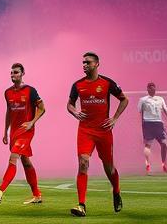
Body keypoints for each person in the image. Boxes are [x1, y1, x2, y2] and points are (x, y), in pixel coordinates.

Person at [68, 51, 127, 217]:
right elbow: (69, 105)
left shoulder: (107, 83)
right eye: (83, 62)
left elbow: (124, 99)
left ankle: (116, 191)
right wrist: (75, 112)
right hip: (85, 130)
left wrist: (114, 118)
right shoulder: (77, 85)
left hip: (103, 131)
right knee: (83, 162)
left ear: (96, 64)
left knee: (109, 167)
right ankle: (81, 205)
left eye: (88, 62)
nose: (84, 65)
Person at [0, 62, 43, 205]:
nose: (13, 75)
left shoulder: (30, 91)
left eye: (16, 72)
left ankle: (0, 191)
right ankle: (37, 195)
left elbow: (42, 108)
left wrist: (32, 122)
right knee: (26, 162)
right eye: (12, 72)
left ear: (22, 73)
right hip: (14, 132)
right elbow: (9, 112)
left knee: (13, 158)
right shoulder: (7, 92)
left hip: (26, 131)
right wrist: (5, 131)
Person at [138, 81, 167, 174]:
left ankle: (163, 164)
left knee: (164, 143)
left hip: (158, 124)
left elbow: (165, 109)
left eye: (153, 87)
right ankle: (148, 164)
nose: (152, 89)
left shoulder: (160, 99)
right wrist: (142, 124)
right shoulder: (143, 100)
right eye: (150, 87)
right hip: (148, 123)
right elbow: (140, 112)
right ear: (147, 89)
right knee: (148, 145)